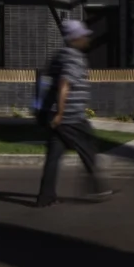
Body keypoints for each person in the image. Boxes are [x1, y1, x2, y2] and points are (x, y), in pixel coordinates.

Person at [34, 19, 111, 207]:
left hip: (54, 115)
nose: (86, 38)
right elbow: (64, 83)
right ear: (75, 38)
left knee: (54, 155)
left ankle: (46, 196)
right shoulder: (73, 56)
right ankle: (97, 188)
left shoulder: (59, 55)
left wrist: (53, 115)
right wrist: (61, 113)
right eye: (83, 35)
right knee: (89, 146)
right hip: (70, 116)